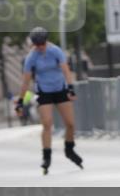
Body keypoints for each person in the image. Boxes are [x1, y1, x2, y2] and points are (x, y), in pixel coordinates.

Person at [15, 27, 83, 174]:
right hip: (44, 92)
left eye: (42, 44)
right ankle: (46, 157)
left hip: (60, 89)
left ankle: (69, 149)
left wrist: (70, 88)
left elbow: (66, 70)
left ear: (46, 41)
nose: (40, 47)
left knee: (70, 124)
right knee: (47, 124)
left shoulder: (56, 51)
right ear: (33, 44)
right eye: (37, 45)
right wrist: (20, 101)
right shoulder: (31, 57)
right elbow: (25, 81)